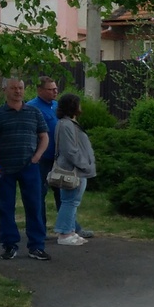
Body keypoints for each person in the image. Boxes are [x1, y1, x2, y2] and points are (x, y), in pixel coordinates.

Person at [0, 77, 50, 261]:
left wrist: (37, 156)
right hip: (4, 168)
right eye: (13, 88)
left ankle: (36, 246)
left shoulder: (34, 112)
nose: (18, 91)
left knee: (35, 206)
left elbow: (44, 136)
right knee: (5, 207)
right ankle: (9, 245)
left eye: (20, 88)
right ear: (5, 89)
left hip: (29, 166)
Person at [52, 93, 96, 246]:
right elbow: (69, 150)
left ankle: (70, 230)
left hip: (77, 169)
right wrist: (84, 164)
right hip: (73, 170)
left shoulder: (69, 123)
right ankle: (64, 233)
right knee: (70, 201)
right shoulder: (66, 125)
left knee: (73, 201)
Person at [27, 76, 65, 228]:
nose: (55, 92)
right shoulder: (32, 107)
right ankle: (39, 227)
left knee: (63, 192)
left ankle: (67, 226)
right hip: (41, 157)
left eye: (56, 89)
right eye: (50, 89)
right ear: (40, 90)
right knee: (39, 193)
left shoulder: (57, 106)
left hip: (59, 158)